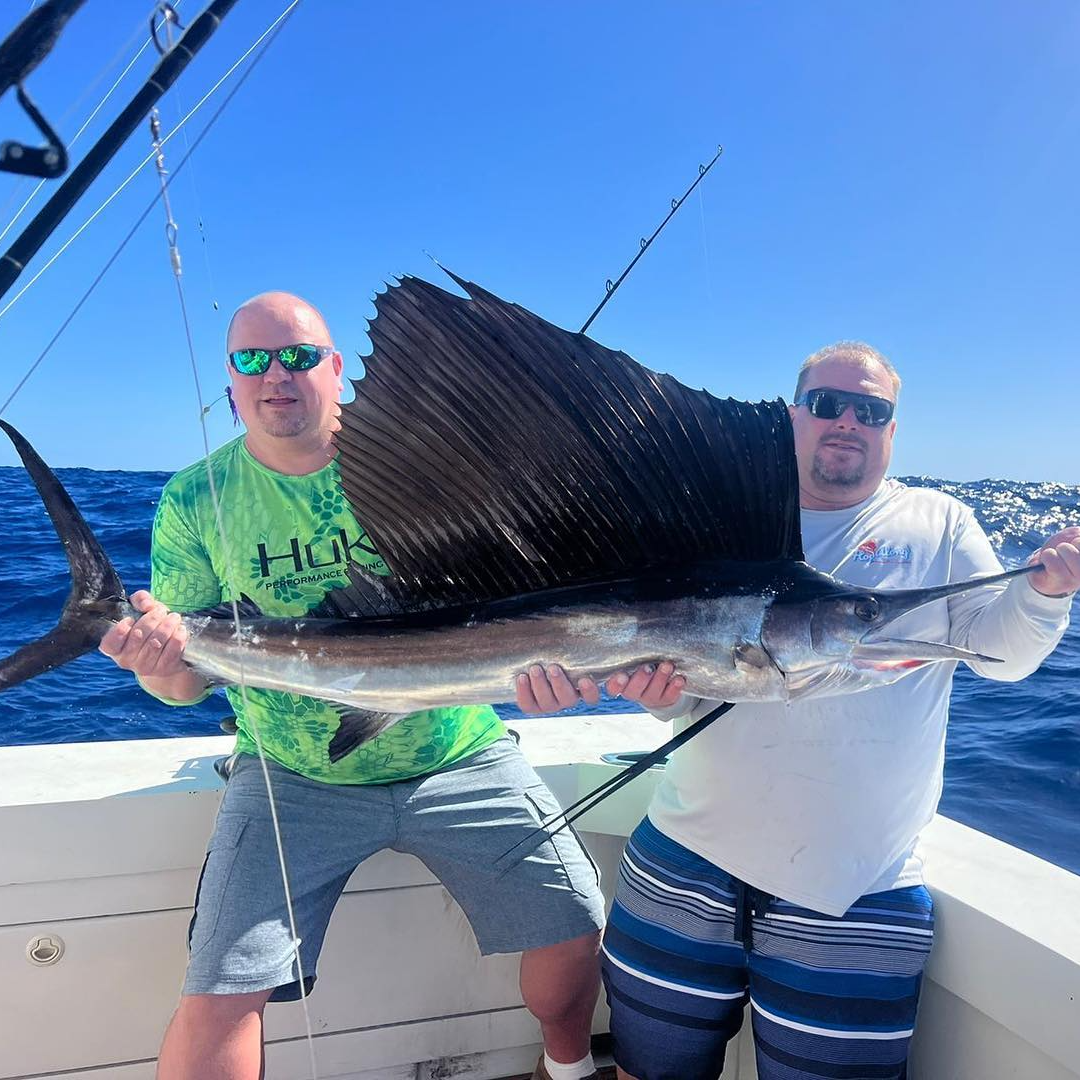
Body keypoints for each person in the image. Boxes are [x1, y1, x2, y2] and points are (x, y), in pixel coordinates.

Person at [528, 341, 1078, 1080]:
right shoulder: (719, 524)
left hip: (856, 887)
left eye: (871, 410)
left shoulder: (940, 524)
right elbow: (691, 684)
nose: (848, 420)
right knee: (645, 1072)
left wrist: (1046, 595)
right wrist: (660, 698)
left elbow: (1002, 657)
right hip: (684, 859)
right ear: (794, 415)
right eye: (826, 403)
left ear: (892, 430)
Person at [99, 291, 608, 1080]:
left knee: (576, 919)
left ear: (335, 369)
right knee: (222, 986)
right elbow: (184, 689)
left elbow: (514, 613)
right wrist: (161, 668)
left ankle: (567, 1070)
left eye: (299, 355)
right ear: (229, 382)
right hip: (290, 773)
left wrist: (558, 674)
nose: (278, 374)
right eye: (253, 360)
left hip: (458, 752)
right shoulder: (195, 500)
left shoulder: (423, 474)